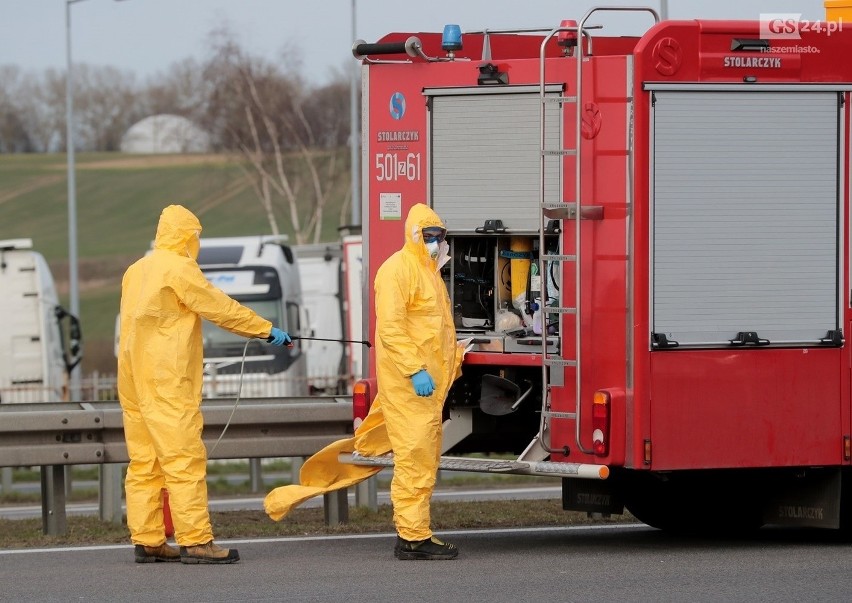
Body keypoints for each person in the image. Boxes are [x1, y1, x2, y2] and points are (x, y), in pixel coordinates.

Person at [264, 203, 468, 560]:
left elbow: (434, 331)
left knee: (420, 458)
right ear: (414, 235)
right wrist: (414, 370)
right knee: (414, 460)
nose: (435, 242)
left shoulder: (429, 272)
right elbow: (391, 329)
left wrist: (454, 358)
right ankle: (413, 537)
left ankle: (414, 532)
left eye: (439, 236)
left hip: (429, 388)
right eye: (429, 235)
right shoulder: (397, 270)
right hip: (410, 385)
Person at [118, 204, 292, 565]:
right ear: (187, 235)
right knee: (183, 461)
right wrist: (265, 329)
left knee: (144, 462)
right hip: (168, 378)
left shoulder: (136, 270)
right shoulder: (179, 268)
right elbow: (218, 307)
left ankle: (148, 539)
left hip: (134, 377)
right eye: (196, 236)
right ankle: (197, 541)